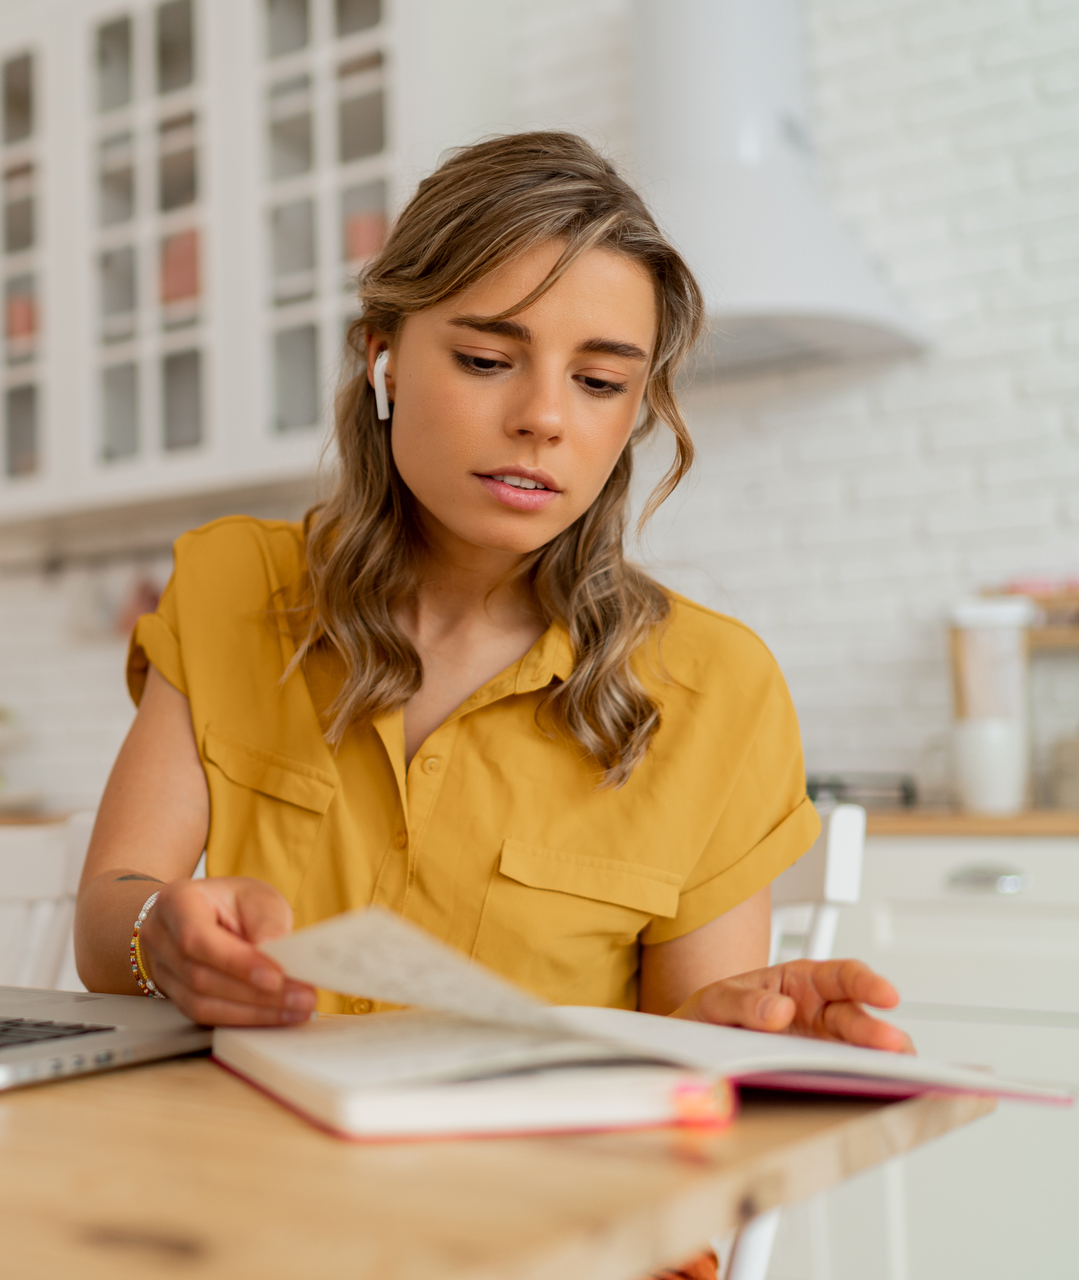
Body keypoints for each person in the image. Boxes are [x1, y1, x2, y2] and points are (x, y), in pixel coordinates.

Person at [73, 132, 907, 1280]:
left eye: (602, 381)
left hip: (562, 1235)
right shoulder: (233, 586)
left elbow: (685, 1057)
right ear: (384, 358)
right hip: (244, 1209)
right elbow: (109, 917)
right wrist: (159, 937)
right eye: (485, 359)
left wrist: (752, 1040)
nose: (543, 418)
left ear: (632, 416)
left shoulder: (717, 687)